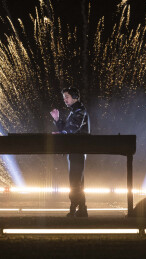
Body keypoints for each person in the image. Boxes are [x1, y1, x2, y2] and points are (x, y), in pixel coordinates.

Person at [50, 87, 90, 217]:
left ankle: (74, 207)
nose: (64, 100)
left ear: (75, 97)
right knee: (78, 180)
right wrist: (57, 120)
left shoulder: (79, 111)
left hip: (77, 149)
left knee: (74, 180)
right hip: (76, 149)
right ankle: (82, 209)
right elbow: (68, 129)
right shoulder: (75, 111)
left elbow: (73, 128)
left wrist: (61, 133)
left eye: (66, 97)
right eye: (64, 98)